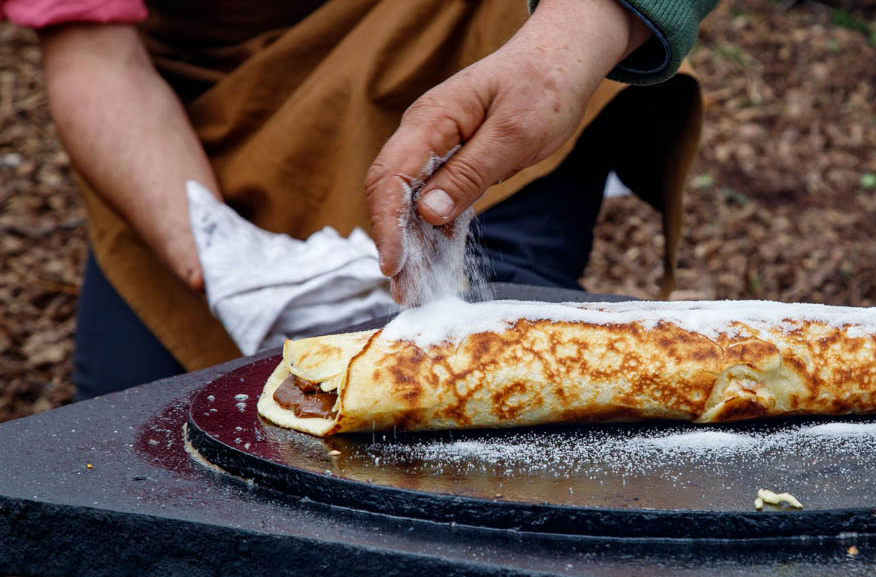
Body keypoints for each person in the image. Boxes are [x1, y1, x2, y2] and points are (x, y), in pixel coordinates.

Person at [2, 0, 714, 399]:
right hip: (207, 117)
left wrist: (563, 51)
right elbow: (95, 57)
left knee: (492, 389)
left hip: (488, 41)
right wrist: (227, 266)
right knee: (143, 417)